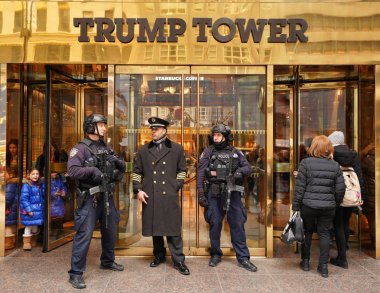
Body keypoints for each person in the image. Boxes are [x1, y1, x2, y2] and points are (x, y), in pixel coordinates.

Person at [67, 114, 126, 289]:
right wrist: (92, 171)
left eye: (104, 125)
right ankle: (75, 273)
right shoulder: (80, 149)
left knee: (110, 230)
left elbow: (120, 165)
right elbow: (72, 170)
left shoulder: (106, 147)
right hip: (89, 199)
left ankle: (107, 261)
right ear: (91, 127)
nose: (104, 127)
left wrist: (118, 163)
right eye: (101, 124)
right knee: (84, 235)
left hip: (106, 196)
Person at [132, 117, 190, 275]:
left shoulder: (177, 149)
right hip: (150, 193)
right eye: (152, 129)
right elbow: (137, 172)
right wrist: (138, 190)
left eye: (156, 129)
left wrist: (175, 186)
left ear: (165, 130)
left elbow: (182, 171)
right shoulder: (144, 150)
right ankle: (159, 255)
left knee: (173, 229)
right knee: (155, 227)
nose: (153, 131)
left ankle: (179, 261)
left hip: (169, 194)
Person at [197, 124, 257, 272]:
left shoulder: (235, 152)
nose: (215, 137)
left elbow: (248, 168)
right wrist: (200, 193)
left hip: (233, 192)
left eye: (218, 135)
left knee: (237, 224)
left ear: (225, 137)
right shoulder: (208, 152)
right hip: (214, 192)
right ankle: (216, 254)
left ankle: (243, 258)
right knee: (215, 223)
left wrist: (239, 172)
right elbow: (200, 173)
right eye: (214, 135)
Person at [292, 135, 345, 278]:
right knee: (324, 233)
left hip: (308, 205)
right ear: (328, 149)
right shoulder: (335, 165)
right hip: (328, 206)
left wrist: (295, 206)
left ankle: (305, 262)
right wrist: (334, 202)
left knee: (307, 232)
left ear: (314, 148)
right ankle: (323, 267)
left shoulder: (305, 163)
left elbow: (300, 188)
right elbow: (341, 189)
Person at [327, 131, 366, 269]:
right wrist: (360, 197)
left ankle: (342, 258)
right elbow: (359, 177)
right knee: (345, 222)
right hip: (351, 195)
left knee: (337, 223)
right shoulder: (353, 155)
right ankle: (344, 248)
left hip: (336, 194)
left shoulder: (331, 155)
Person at [20, 168, 45, 251]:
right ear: (29, 175)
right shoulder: (26, 185)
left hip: (37, 210)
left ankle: (33, 240)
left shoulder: (40, 184)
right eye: (33, 174)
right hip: (30, 210)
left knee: (35, 226)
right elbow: (24, 199)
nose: (35, 176)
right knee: (28, 226)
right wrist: (29, 210)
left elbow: (42, 195)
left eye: (37, 174)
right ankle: (26, 243)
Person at [361, 143, 375, 248]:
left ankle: (375, 242)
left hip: (370, 195)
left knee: (373, 220)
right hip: (374, 194)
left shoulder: (366, 161)